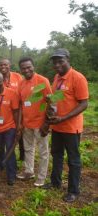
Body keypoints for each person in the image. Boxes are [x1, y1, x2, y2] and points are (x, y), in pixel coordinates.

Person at [43, 49, 88, 203]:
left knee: (73, 160)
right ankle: (55, 183)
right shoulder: (56, 77)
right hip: (57, 126)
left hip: (71, 127)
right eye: (55, 62)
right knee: (56, 155)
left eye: (60, 61)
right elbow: (56, 99)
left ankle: (73, 191)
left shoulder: (78, 78)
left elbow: (84, 103)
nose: (57, 65)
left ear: (68, 59)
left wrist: (64, 118)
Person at [16, 57, 52, 187]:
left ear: (33, 66)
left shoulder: (43, 81)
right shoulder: (21, 83)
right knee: (28, 149)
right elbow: (21, 104)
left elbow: (50, 103)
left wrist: (46, 124)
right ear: (20, 70)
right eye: (23, 68)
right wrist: (20, 123)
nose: (26, 70)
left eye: (28, 67)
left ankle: (41, 177)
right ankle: (29, 171)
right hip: (27, 123)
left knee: (43, 152)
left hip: (40, 124)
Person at [0, 58, 25, 161]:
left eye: (5, 65)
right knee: (10, 136)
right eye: (1, 65)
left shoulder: (17, 77)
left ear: (10, 65)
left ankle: (23, 156)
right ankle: (9, 157)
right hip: (6, 113)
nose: (3, 67)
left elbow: (24, 90)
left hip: (18, 111)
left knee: (21, 133)